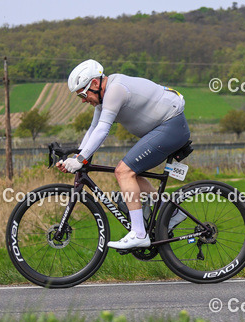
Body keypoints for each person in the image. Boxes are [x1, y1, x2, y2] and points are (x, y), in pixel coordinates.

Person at [56, 59, 190, 250]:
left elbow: (103, 129)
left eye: (83, 95)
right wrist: (78, 156)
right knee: (133, 173)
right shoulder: (104, 98)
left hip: (171, 124)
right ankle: (171, 211)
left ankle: (138, 233)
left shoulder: (115, 90)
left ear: (94, 84)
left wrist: (80, 159)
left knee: (123, 172)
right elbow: (93, 128)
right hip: (163, 128)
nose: (84, 100)